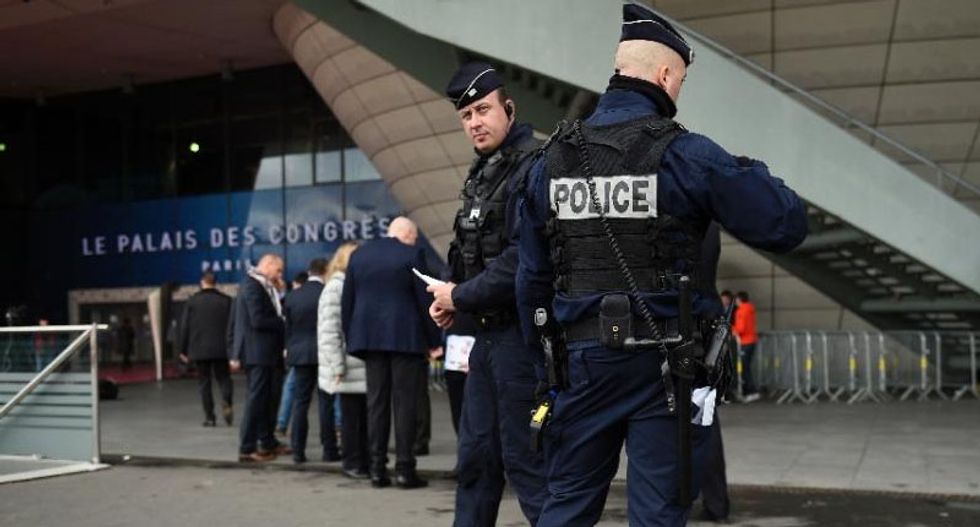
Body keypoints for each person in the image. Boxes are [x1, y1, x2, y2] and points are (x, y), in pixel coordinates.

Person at [515, 5, 808, 525]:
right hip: (665, 368)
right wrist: (746, 169)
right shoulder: (686, 155)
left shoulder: (549, 163)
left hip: (581, 365)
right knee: (658, 513)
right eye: (682, 81)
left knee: (566, 505)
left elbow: (531, 281)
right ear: (665, 75)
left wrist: (549, 373)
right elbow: (785, 224)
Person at [426, 62, 548, 526]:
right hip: (484, 341)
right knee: (476, 461)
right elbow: (468, 253)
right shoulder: (482, 174)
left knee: (529, 465)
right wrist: (449, 300)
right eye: (465, 116)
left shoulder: (534, 167)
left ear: (509, 108)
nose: (474, 122)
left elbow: (521, 261)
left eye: (482, 110)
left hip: (523, 344)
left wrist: (462, 295)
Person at [341, 217, 442, 489]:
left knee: (376, 404)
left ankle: (377, 469)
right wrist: (434, 340)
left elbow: (347, 300)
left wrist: (352, 338)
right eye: (414, 236)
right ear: (408, 233)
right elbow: (425, 301)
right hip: (405, 338)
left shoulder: (359, 255)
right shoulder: (412, 254)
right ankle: (405, 470)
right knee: (405, 404)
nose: (415, 240)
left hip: (369, 340)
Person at [231, 253, 291, 462]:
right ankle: (247, 448)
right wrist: (282, 321)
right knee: (256, 401)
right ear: (268, 265)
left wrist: (280, 291)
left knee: (270, 399)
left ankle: (267, 441)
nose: (280, 274)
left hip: (269, 353)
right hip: (258, 354)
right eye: (279, 270)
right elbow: (257, 320)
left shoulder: (266, 286)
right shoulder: (251, 286)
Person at [318, 242, 369, 478]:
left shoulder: (346, 285)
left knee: (359, 417)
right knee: (351, 419)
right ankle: (352, 462)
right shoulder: (336, 287)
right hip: (348, 366)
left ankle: (360, 460)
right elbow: (329, 332)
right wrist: (338, 366)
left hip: (356, 366)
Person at [283, 259, 339, 463]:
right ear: (325, 271)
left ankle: (298, 451)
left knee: (300, 402)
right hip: (324, 353)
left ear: (309, 272)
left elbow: (288, 329)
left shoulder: (292, 296)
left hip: (300, 355)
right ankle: (329, 450)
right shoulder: (327, 293)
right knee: (327, 403)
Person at [177, 271, 234, 427]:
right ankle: (226, 400)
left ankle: (210, 417)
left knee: (204, 383)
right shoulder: (226, 301)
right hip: (222, 349)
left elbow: (185, 327)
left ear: (202, 281)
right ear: (215, 282)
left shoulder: (192, 302)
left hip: (199, 349)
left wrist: (183, 350)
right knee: (224, 379)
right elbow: (233, 326)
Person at [276, 271, 309, 437]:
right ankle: (338, 424)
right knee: (332, 392)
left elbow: (285, 324)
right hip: (321, 352)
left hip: (298, 352)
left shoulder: (291, 299)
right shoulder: (320, 295)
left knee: (291, 388)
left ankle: (282, 423)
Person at [733, 291, 760, 402]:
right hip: (751, 340)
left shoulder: (741, 311)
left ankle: (751, 391)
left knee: (744, 367)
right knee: (746, 366)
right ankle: (748, 391)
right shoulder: (750, 309)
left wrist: (732, 329)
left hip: (745, 342)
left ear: (739, 299)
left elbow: (741, 328)